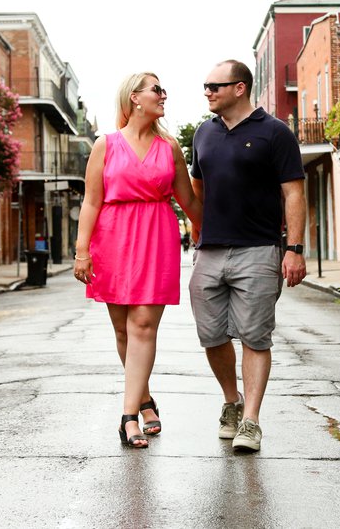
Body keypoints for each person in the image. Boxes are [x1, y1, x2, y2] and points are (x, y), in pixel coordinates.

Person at [74, 72, 202, 449]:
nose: (164, 95)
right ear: (135, 98)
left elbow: (189, 201)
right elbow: (91, 200)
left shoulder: (170, 147)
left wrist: (210, 229)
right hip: (111, 239)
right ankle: (144, 400)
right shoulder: (106, 144)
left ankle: (128, 416)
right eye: (157, 90)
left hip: (156, 237)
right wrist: (82, 251)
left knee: (143, 324)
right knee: (122, 331)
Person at [189, 59, 307, 453]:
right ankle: (232, 402)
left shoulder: (275, 133)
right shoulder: (204, 133)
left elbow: (294, 193)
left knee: (255, 337)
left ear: (239, 88)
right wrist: (195, 228)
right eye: (205, 85)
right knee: (211, 336)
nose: (207, 91)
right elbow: (197, 186)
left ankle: (252, 421)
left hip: (259, 249)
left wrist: (293, 249)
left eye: (214, 85)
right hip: (210, 251)